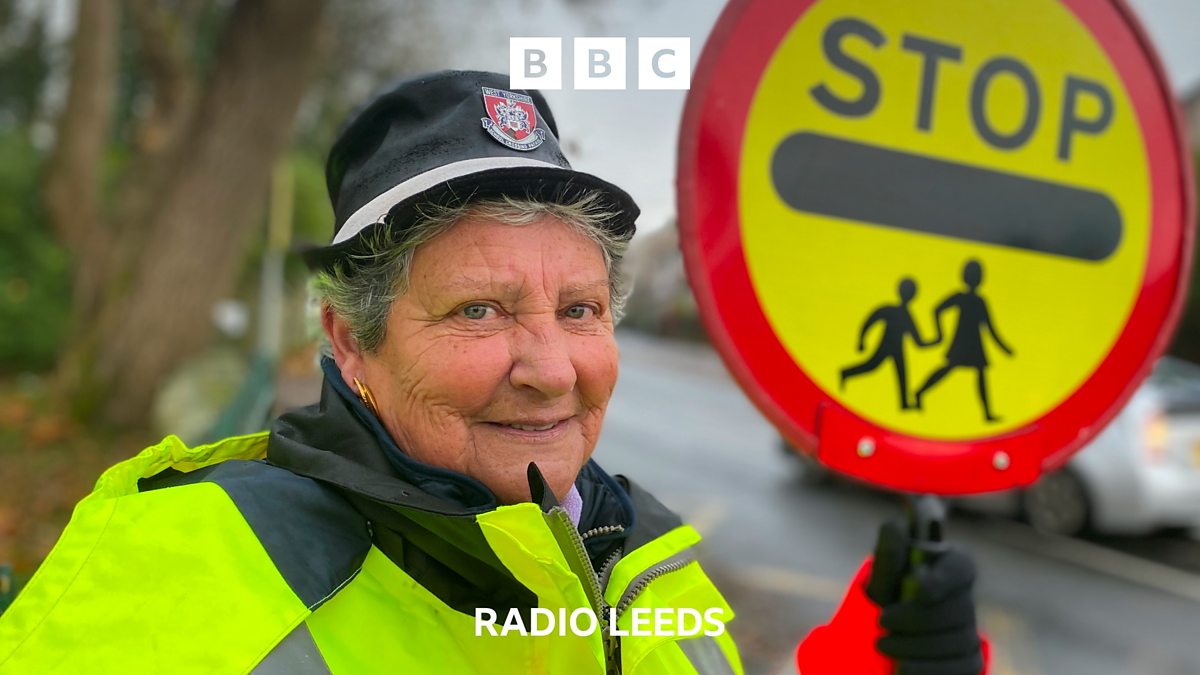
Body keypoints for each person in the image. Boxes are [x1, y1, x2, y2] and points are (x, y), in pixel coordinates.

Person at [0, 71, 986, 674]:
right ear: (351, 341)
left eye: (579, 310)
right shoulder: (182, 572)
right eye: (480, 310)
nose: (553, 370)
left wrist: (878, 664)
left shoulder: (642, 560)